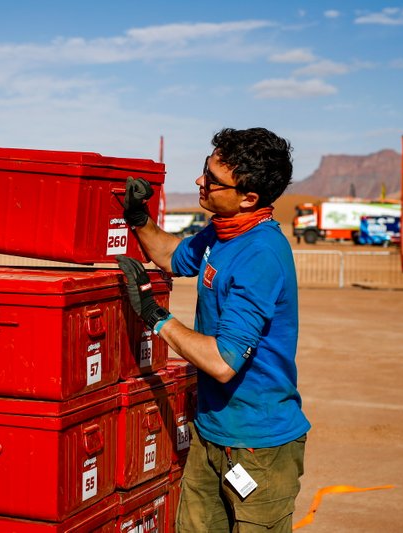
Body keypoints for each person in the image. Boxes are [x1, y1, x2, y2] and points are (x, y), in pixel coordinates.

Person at [116, 127, 310, 532]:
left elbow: (223, 362)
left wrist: (156, 317)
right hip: (211, 433)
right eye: (205, 169)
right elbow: (171, 254)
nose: (200, 182)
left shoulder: (259, 254)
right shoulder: (222, 232)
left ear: (248, 198)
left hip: (259, 445)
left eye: (212, 179)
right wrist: (139, 219)